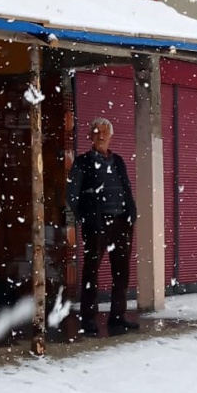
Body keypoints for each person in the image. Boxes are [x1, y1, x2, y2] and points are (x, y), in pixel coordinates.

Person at [66, 117, 138, 336]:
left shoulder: (118, 161)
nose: (101, 135)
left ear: (111, 136)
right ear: (90, 136)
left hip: (121, 223)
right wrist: (85, 217)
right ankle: (89, 318)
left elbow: (126, 188)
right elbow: (72, 195)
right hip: (96, 223)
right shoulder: (83, 162)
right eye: (96, 131)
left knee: (121, 272)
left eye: (105, 132)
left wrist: (131, 213)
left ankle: (118, 315)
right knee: (91, 271)